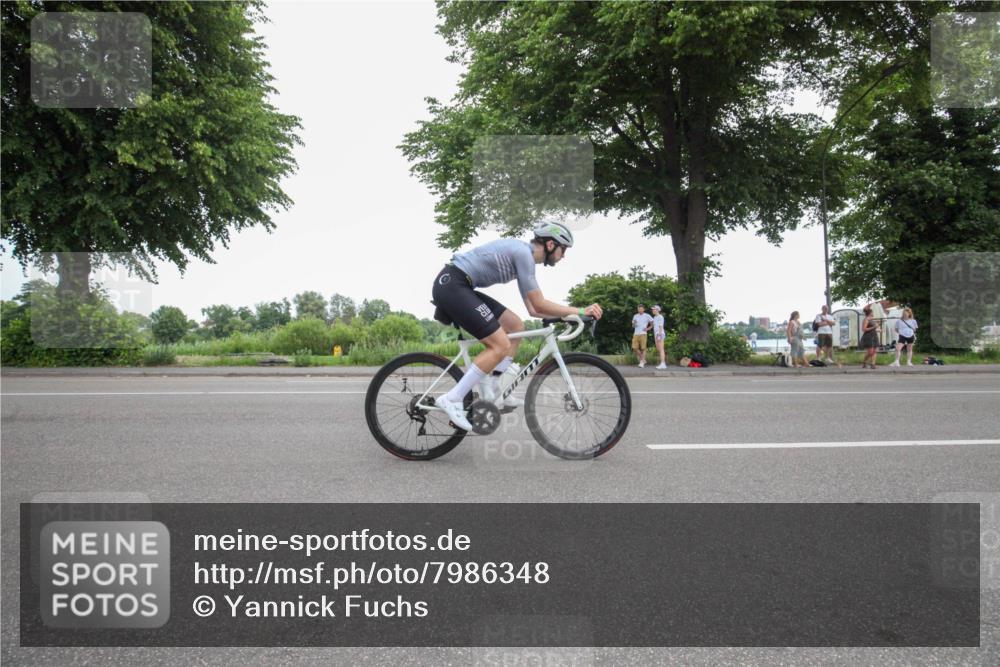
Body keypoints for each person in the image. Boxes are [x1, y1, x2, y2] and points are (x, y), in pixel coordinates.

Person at [430, 221, 602, 430]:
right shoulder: (524, 255)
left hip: (459, 285)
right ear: (550, 245)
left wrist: (564, 315)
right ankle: (453, 398)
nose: (563, 255)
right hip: (453, 285)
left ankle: (495, 386)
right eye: (563, 249)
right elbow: (539, 303)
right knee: (500, 345)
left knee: (516, 326)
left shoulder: (523, 258)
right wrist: (581, 311)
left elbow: (533, 310)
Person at [859, 304, 879, 369]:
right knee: (870, 352)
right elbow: (864, 329)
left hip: (874, 335)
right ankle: (864, 362)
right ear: (870, 313)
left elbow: (875, 327)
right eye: (872, 312)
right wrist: (874, 327)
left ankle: (873, 364)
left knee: (875, 350)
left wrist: (879, 329)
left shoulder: (873, 319)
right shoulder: (866, 319)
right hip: (868, 336)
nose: (873, 313)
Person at [651, 304, 667, 369]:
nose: (652, 310)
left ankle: (663, 364)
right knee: (658, 349)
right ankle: (662, 362)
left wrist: (659, 335)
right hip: (656, 334)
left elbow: (661, 326)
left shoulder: (660, 317)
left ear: (657, 310)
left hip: (660, 334)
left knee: (661, 349)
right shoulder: (654, 317)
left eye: (653, 309)